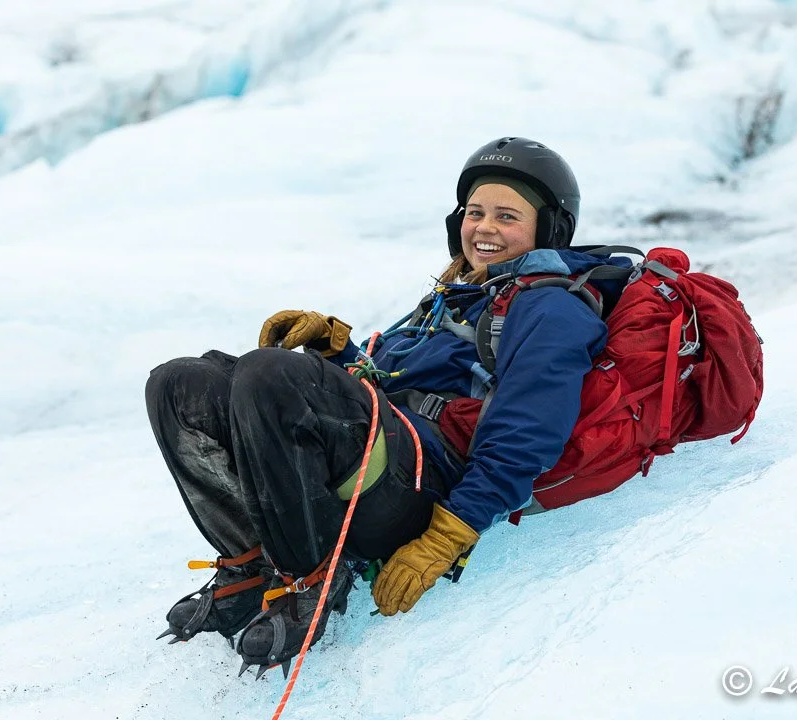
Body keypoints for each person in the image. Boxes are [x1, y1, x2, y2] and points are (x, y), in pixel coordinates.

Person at [145, 136, 633, 676]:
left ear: (549, 229)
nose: (485, 228)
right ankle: (253, 563)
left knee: (270, 374)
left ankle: (314, 581)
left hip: (421, 489)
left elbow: (527, 431)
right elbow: (393, 383)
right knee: (178, 386)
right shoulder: (464, 296)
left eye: (507, 215)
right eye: (474, 213)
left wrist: (451, 534)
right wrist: (341, 353)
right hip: (389, 448)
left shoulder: (550, 307)